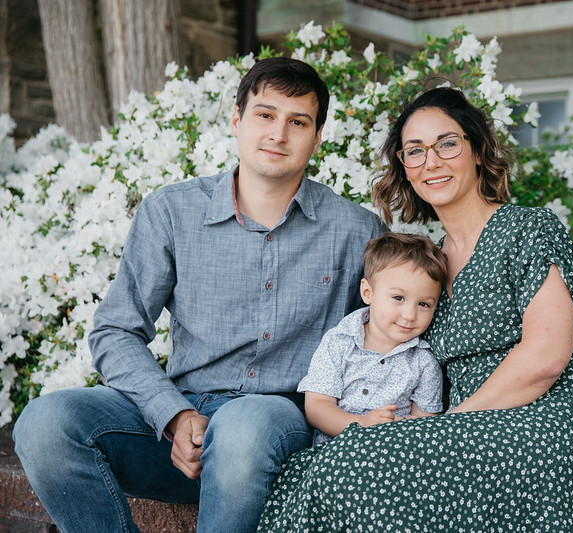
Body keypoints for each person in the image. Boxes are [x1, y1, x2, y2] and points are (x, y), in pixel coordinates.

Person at [12, 57, 385, 533]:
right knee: (46, 424)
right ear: (236, 120)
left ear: (317, 137)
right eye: (265, 115)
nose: (278, 133)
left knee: (245, 424)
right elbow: (115, 330)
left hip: (276, 429)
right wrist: (173, 414)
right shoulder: (172, 212)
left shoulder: (356, 231)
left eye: (298, 122)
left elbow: (374, 347)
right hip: (181, 426)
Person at [258, 87, 573, 532]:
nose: (431, 162)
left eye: (447, 143)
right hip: (464, 430)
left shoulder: (528, 228)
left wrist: (448, 425)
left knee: (347, 466)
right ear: (404, 167)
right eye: (414, 151)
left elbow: (546, 357)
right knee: (312, 466)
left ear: (477, 150)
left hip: (538, 424)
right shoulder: (429, 266)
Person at [300, 232, 447, 446]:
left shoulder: (423, 362)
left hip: (393, 454)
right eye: (398, 298)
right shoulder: (339, 342)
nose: (409, 315)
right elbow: (317, 407)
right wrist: (361, 424)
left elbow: (425, 424)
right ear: (368, 293)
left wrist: (393, 432)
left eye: (424, 304)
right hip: (335, 452)